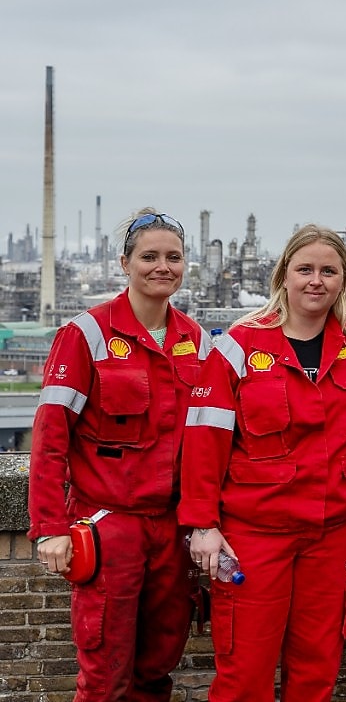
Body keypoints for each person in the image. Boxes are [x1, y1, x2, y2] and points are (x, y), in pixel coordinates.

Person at [180, 224, 346, 702]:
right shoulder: (240, 346)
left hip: (331, 534)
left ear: (344, 281)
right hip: (255, 535)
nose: (316, 281)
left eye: (329, 271)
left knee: (317, 670)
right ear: (284, 275)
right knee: (245, 672)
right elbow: (203, 440)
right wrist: (203, 524)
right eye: (305, 269)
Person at [28, 209, 209, 702]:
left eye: (173, 257)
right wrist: (50, 527)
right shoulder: (86, 335)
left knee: (158, 668)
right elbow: (49, 439)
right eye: (149, 256)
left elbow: (207, 444)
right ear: (125, 263)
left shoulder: (196, 340)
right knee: (106, 674)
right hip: (110, 526)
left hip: (173, 529)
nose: (162, 267)